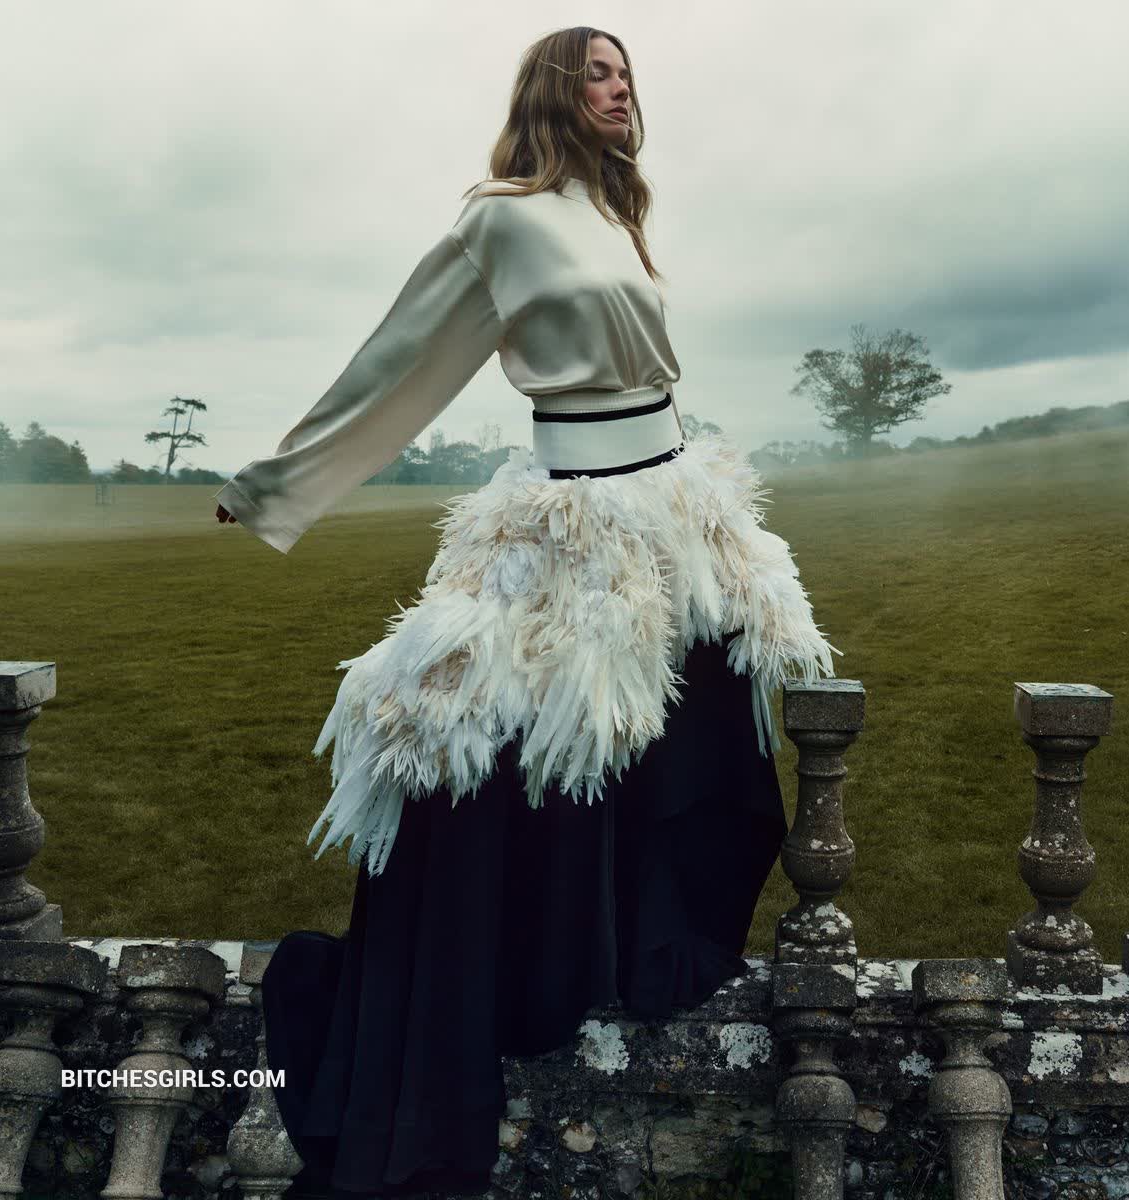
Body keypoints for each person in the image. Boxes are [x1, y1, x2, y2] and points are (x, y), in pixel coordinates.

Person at [213, 26, 840, 1196]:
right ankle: (511, 971)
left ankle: (630, 947)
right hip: (569, 519)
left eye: (627, 72)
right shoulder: (498, 218)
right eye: (598, 70)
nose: (620, 87)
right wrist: (270, 487)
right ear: (555, 87)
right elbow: (398, 362)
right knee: (508, 756)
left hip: (671, 509)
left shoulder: (618, 209)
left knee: (690, 758)